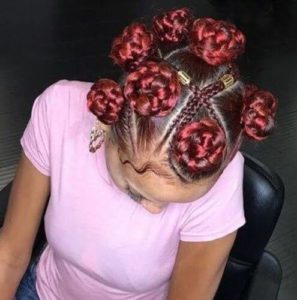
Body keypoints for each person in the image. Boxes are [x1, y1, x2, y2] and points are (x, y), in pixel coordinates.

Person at [0, 7, 278, 300]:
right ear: (108, 125)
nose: (156, 211)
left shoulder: (223, 174)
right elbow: (10, 255)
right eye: (135, 191)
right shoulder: (59, 110)